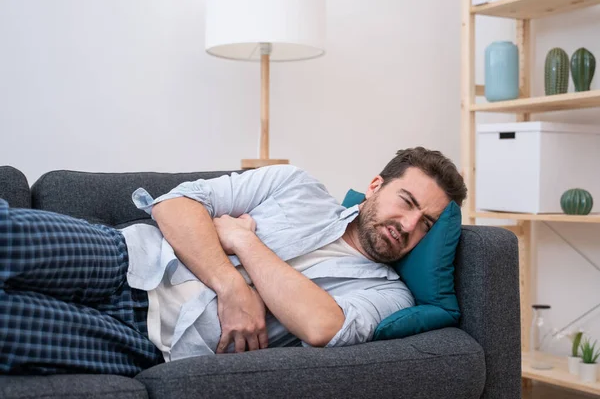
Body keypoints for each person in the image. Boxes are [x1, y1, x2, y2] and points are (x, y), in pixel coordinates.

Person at [0, 147, 467, 377]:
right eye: (405, 202)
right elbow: (175, 205)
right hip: (126, 257)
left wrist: (243, 242)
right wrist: (232, 285)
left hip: (149, 342)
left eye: (425, 223)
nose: (407, 224)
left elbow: (323, 327)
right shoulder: (295, 184)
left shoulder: (390, 294)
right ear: (375, 186)